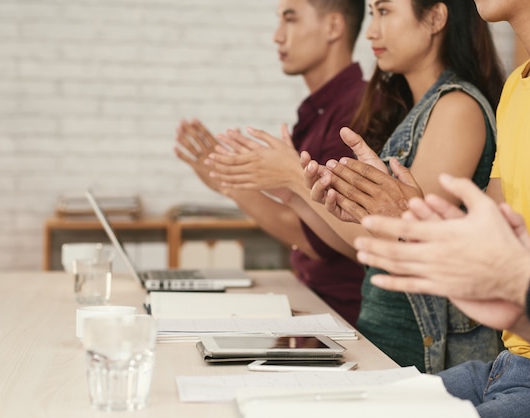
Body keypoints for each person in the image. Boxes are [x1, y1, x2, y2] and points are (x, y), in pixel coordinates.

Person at [205, 0, 505, 373]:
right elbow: (365, 248)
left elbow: (400, 237)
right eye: (372, 13)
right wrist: (294, 194)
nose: (371, 31)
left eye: (385, 12)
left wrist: (294, 176)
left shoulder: (458, 107)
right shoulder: (416, 110)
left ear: (435, 18)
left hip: (427, 357)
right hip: (384, 339)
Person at [353, 1, 530, 417]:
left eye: (385, 11)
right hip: (509, 362)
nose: (372, 31)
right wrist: (414, 215)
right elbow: (496, 246)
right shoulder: (517, 89)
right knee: (345, 406)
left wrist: (415, 221)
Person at [174, 0, 367, 326]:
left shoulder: (353, 112)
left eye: (290, 20)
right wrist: (233, 175)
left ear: (333, 27)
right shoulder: (319, 111)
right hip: (312, 298)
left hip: (342, 318)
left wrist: (230, 182)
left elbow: (320, 240)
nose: (277, 36)